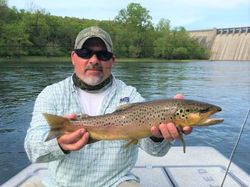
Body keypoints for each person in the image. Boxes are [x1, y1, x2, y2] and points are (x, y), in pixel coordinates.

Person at [24, 26, 192, 187]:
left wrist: (157, 137)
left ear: (112, 60)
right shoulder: (51, 94)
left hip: (116, 182)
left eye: (103, 55)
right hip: (60, 184)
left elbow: (155, 151)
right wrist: (59, 144)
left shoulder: (130, 95)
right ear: (73, 57)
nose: (94, 60)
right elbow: (33, 150)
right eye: (85, 53)